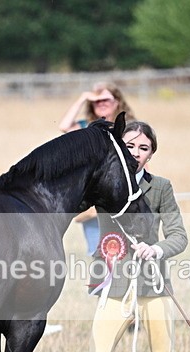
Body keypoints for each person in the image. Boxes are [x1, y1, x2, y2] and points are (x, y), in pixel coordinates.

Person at [50, 121, 189, 352]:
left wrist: (157, 250)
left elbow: (178, 236)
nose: (137, 154)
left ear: (152, 153)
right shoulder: (104, 183)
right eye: (130, 147)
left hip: (153, 286)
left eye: (144, 148)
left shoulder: (161, 188)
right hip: (115, 284)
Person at [59, 82, 136, 255]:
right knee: (97, 252)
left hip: (120, 197)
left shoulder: (128, 127)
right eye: (96, 101)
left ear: (117, 101)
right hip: (93, 199)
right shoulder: (87, 127)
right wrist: (84, 97)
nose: (101, 103)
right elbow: (64, 127)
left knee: (126, 252)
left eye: (106, 99)